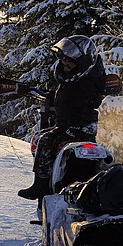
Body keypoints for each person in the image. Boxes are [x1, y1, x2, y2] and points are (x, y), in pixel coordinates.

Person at [17, 35, 106, 200]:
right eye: (64, 62)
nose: (65, 66)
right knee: (42, 138)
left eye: (70, 63)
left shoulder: (87, 83)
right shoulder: (80, 79)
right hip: (74, 126)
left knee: (43, 141)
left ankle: (40, 186)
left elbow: (80, 103)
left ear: (83, 63)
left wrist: (69, 120)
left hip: (76, 128)